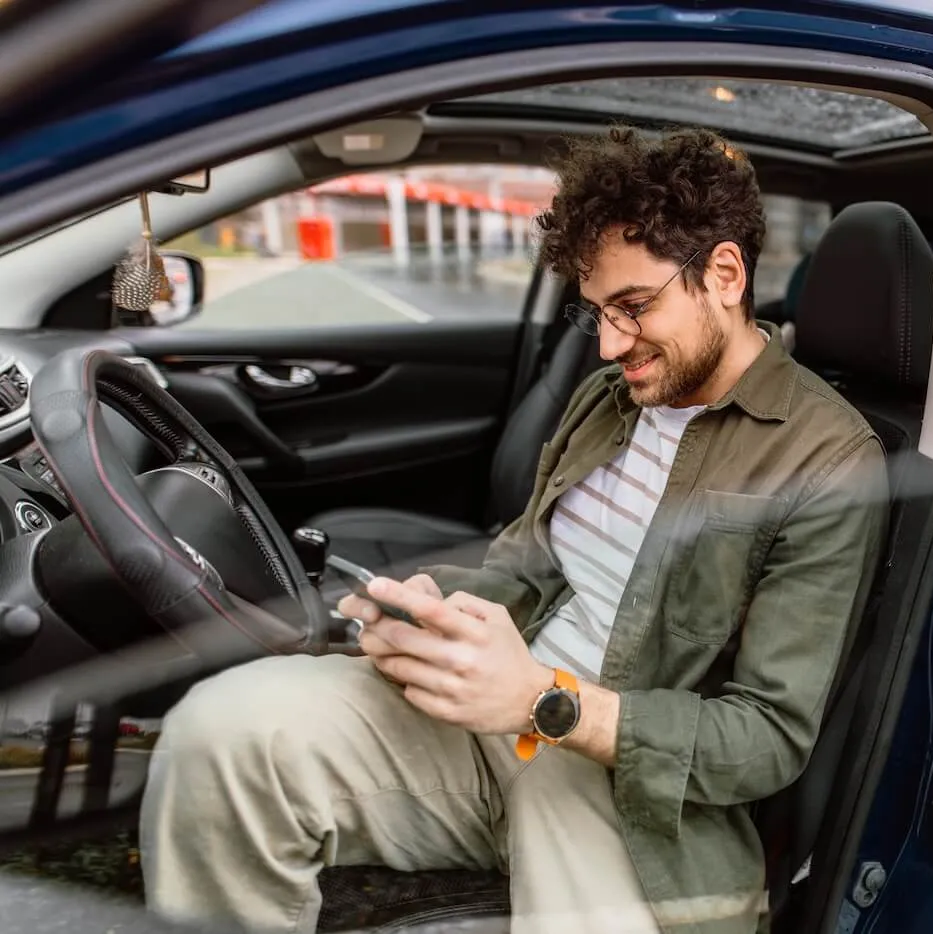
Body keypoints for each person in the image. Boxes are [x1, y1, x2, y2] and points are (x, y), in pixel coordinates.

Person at [139, 126, 889, 934]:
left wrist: (545, 702)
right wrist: (432, 617)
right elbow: (525, 571)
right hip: (488, 723)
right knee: (219, 735)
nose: (608, 344)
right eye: (596, 312)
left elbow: (767, 740)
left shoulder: (828, 458)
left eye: (633, 308)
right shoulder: (609, 401)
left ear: (726, 274)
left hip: (635, 798)